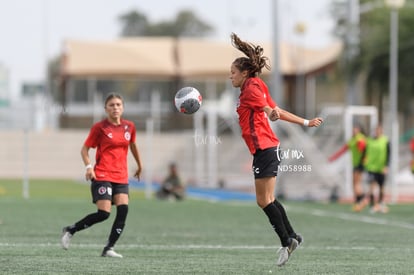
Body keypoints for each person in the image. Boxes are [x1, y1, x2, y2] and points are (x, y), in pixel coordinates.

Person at [229, 33, 323, 267]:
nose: (230, 76)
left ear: (243, 73)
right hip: (267, 148)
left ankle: (286, 241)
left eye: (232, 72)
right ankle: (293, 236)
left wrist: (270, 113)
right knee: (269, 198)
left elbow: (270, 110)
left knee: (263, 200)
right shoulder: (256, 85)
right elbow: (275, 110)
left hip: (265, 148)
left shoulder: (251, 88)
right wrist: (305, 122)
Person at [61, 93, 143, 258]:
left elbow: (133, 145)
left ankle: (109, 248)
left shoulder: (130, 126)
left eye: (118, 105)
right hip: (103, 174)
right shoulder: (100, 128)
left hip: (121, 176)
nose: (115, 108)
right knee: (104, 214)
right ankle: (71, 229)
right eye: (111, 105)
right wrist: (89, 167)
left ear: (123, 108)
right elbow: (84, 150)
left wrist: (140, 165)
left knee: (123, 210)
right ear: (106, 109)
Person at [328, 125, 367, 211]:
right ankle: (359, 202)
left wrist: (364, 159)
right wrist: (333, 157)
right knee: (355, 183)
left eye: (356, 129)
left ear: (360, 130)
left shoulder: (360, 139)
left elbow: (364, 149)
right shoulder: (352, 140)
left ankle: (362, 200)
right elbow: (343, 150)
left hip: (360, 163)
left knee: (357, 183)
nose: (354, 131)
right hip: (356, 163)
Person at [362, 125, 390, 213]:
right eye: (376, 130)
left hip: (381, 167)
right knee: (372, 186)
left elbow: (389, 153)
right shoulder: (369, 140)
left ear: (381, 131)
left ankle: (381, 203)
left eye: (379, 130)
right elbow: (365, 152)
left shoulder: (385, 140)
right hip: (371, 167)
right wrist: (364, 161)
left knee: (381, 186)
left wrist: (386, 166)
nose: (377, 132)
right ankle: (373, 205)